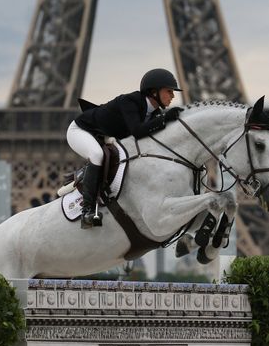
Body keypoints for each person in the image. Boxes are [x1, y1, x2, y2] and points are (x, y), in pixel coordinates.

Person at [67, 68, 183, 229]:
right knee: (96, 154)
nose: (173, 96)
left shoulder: (154, 113)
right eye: (169, 91)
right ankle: (87, 211)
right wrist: (165, 119)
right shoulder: (130, 101)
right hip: (81, 130)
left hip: (103, 136)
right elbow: (137, 131)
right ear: (154, 91)